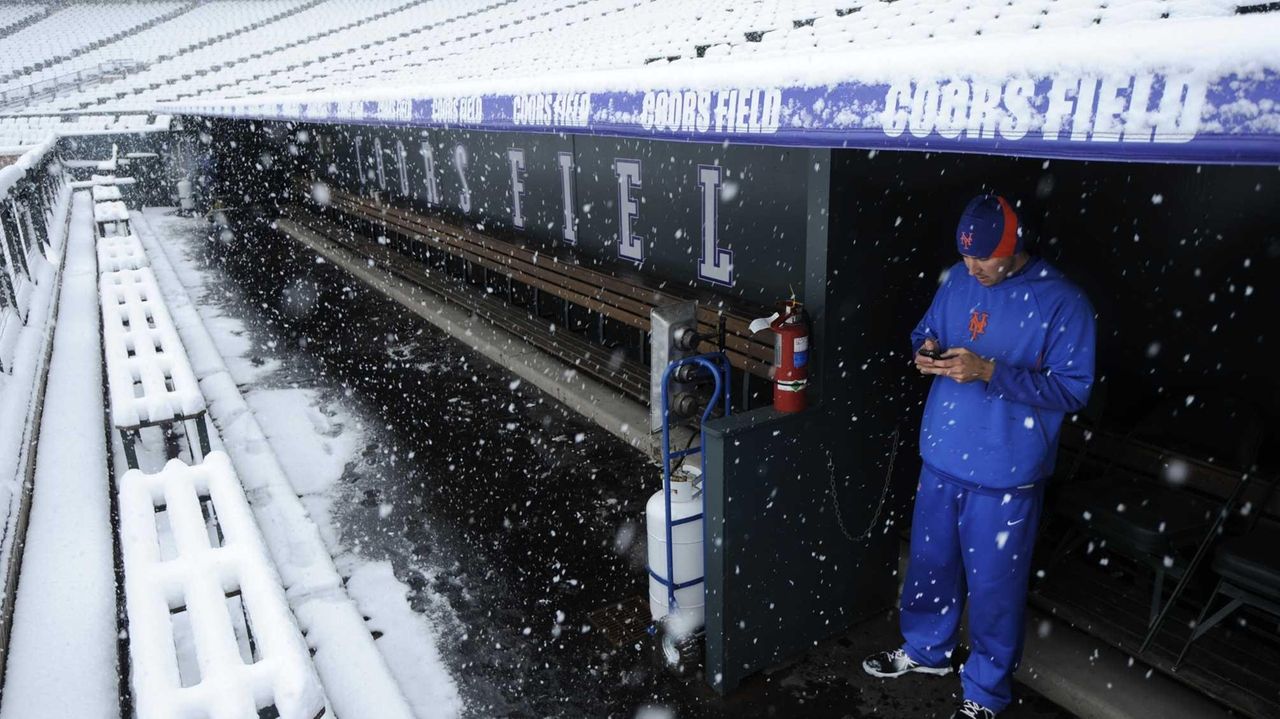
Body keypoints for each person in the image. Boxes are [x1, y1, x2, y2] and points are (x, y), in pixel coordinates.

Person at [862, 194, 1096, 719]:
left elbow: (1074, 390)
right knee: (930, 564)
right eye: (966, 255)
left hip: (1005, 472)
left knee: (995, 589)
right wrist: (923, 350)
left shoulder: (1061, 301)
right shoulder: (958, 280)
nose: (974, 267)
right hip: (942, 454)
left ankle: (985, 691)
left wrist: (990, 371)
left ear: (1013, 246)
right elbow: (925, 331)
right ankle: (926, 651)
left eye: (984, 257)